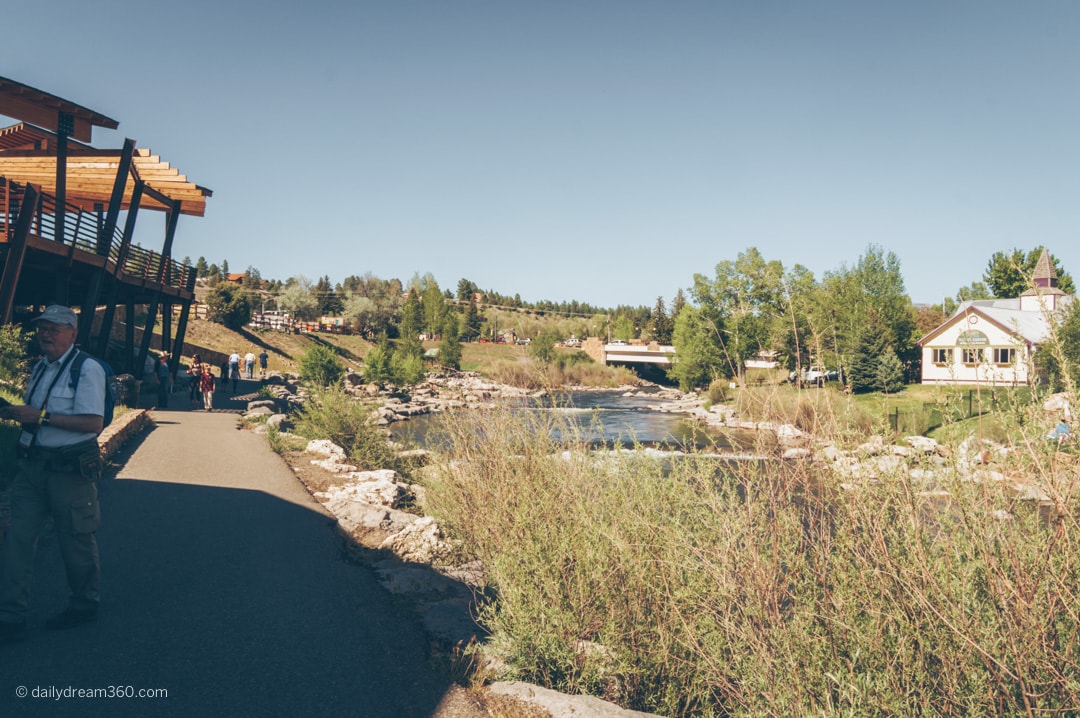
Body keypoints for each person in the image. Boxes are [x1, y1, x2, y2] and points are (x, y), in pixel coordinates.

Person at [0, 305, 106, 643]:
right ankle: (10, 616)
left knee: (75, 538)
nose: (46, 334)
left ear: (73, 334)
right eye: (43, 327)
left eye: (55, 328)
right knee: (18, 539)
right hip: (32, 466)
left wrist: (39, 417)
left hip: (69, 470)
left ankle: (84, 604)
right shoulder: (40, 368)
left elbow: (93, 423)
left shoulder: (87, 370)